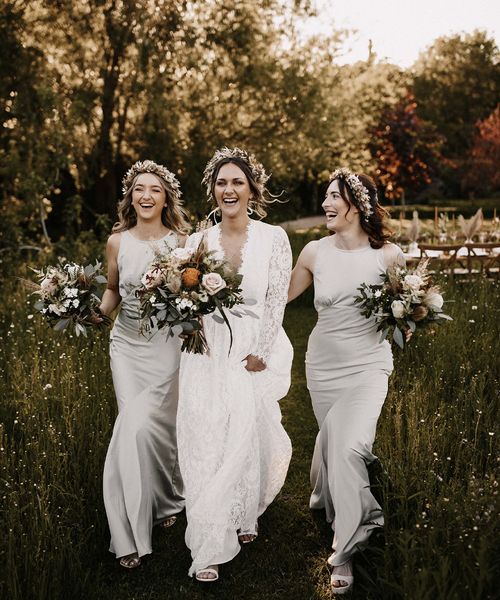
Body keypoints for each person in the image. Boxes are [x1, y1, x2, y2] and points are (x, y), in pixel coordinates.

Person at [177, 147, 293, 582]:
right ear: (212, 190)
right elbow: (184, 301)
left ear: (251, 189)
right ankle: (209, 538)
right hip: (204, 348)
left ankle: (244, 512)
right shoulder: (196, 243)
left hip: (251, 348)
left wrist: (262, 349)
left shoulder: (274, 238)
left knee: (245, 429)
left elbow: (276, 299)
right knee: (205, 432)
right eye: (221, 183)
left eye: (237, 182)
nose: (229, 190)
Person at [288, 168, 406, 595]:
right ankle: (328, 494)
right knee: (332, 437)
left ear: (357, 205)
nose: (325, 205)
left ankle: (345, 548)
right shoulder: (314, 253)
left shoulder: (388, 255)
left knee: (351, 444)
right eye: (325, 196)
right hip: (322, 367)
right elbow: (274, 299)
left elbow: (406, 312)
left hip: (369, 367)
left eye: (333, 197)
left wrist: (410, 320)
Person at [97, 160, 190, 569]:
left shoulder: (183, 242)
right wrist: (94, 313)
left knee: (160, 431)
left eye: (154, 189)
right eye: (139, 189)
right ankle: (129, 532)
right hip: (127, 347)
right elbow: (113, 289)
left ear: (166, 196)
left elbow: (192, 296)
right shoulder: (117, 242)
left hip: (169, 347)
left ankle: (167, 497)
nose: (146, 196)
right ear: (130, 197)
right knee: (131, 427)